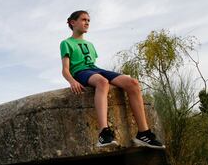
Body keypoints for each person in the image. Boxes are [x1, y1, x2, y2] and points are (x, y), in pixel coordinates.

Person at [60, 10, 165, 149]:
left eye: (89, 21)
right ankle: (104, 133)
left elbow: (93, 65)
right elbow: (65, 69)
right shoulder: (66, 43)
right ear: (73, 22)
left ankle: (143, 133)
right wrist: (72, 81)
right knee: (102, 82)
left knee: (133, 83)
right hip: (80, 71)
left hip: (95, 69)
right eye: (84, 20)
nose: (87, 23)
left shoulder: (90, 45)